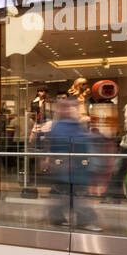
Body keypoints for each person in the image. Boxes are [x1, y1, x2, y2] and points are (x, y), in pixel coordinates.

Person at [45, 95, 101, 231]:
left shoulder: (73, 124)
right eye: (67, 107)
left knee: (67, 195)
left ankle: (57, 217)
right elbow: (66, 140)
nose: (71, 109)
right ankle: (83, 220)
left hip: (74, 167)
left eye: (73, 106)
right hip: (67, 168)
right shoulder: (61, 126)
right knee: (74, 196)